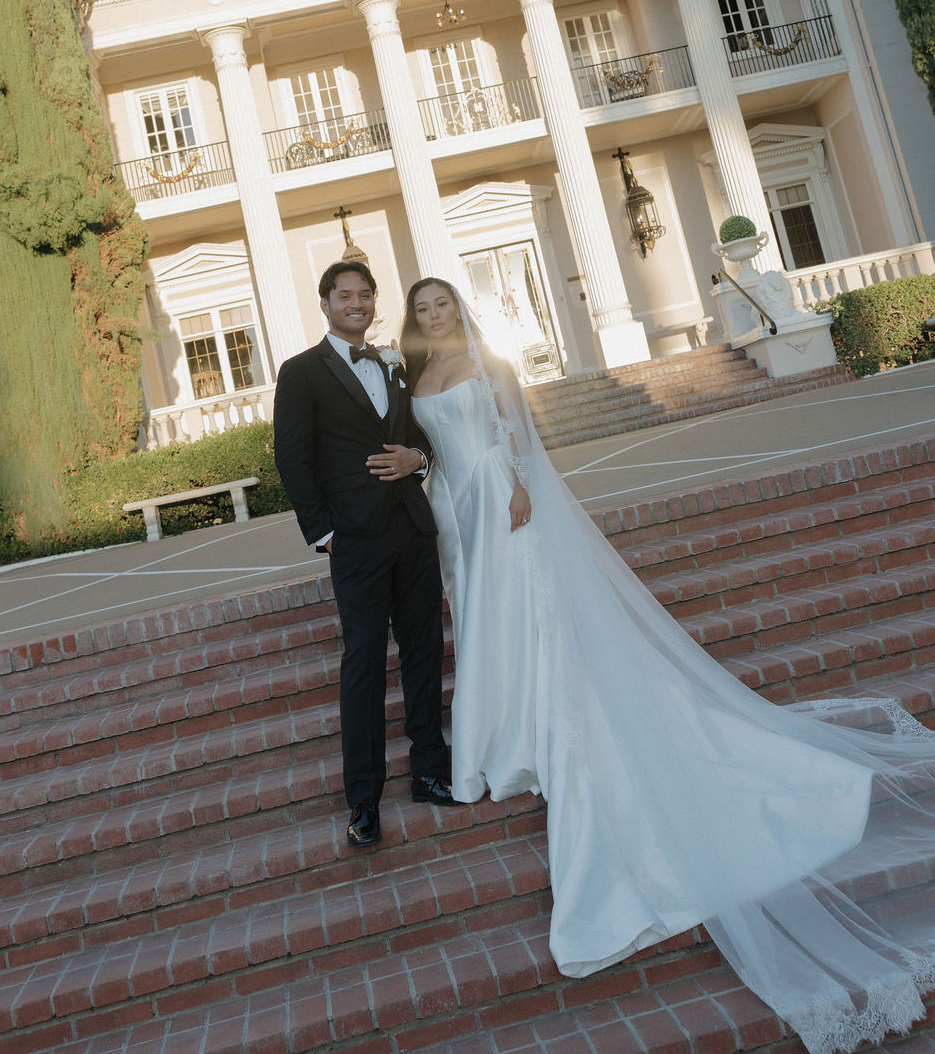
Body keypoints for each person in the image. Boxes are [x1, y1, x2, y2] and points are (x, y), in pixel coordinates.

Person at [401, 275, 935, 1054]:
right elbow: (432, 452)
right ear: (412, 320)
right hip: (460, 515)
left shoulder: (492, 363)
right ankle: (498, 736)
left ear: (458, 308)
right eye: (421, 308)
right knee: (490, 626)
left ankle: (533, 730)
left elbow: (522, 436)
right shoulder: (414, 378)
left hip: (504, 501)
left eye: (440, 303)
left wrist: (518, 483)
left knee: (531, 622)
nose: (432, 314)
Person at [272, 261, 458, 850]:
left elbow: (424, 438)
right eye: (344, 295)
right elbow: (292, 459)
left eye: (364, 295)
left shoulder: (394, 366)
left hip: (412, 529)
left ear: (374, 302)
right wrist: (324, 536)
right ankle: (364, 800)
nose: (356, 303)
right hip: (354, 542)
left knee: (425, 651)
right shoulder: (300, 372)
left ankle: (429, 772)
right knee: (364, 665)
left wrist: (416, 462)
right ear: (325, 303)